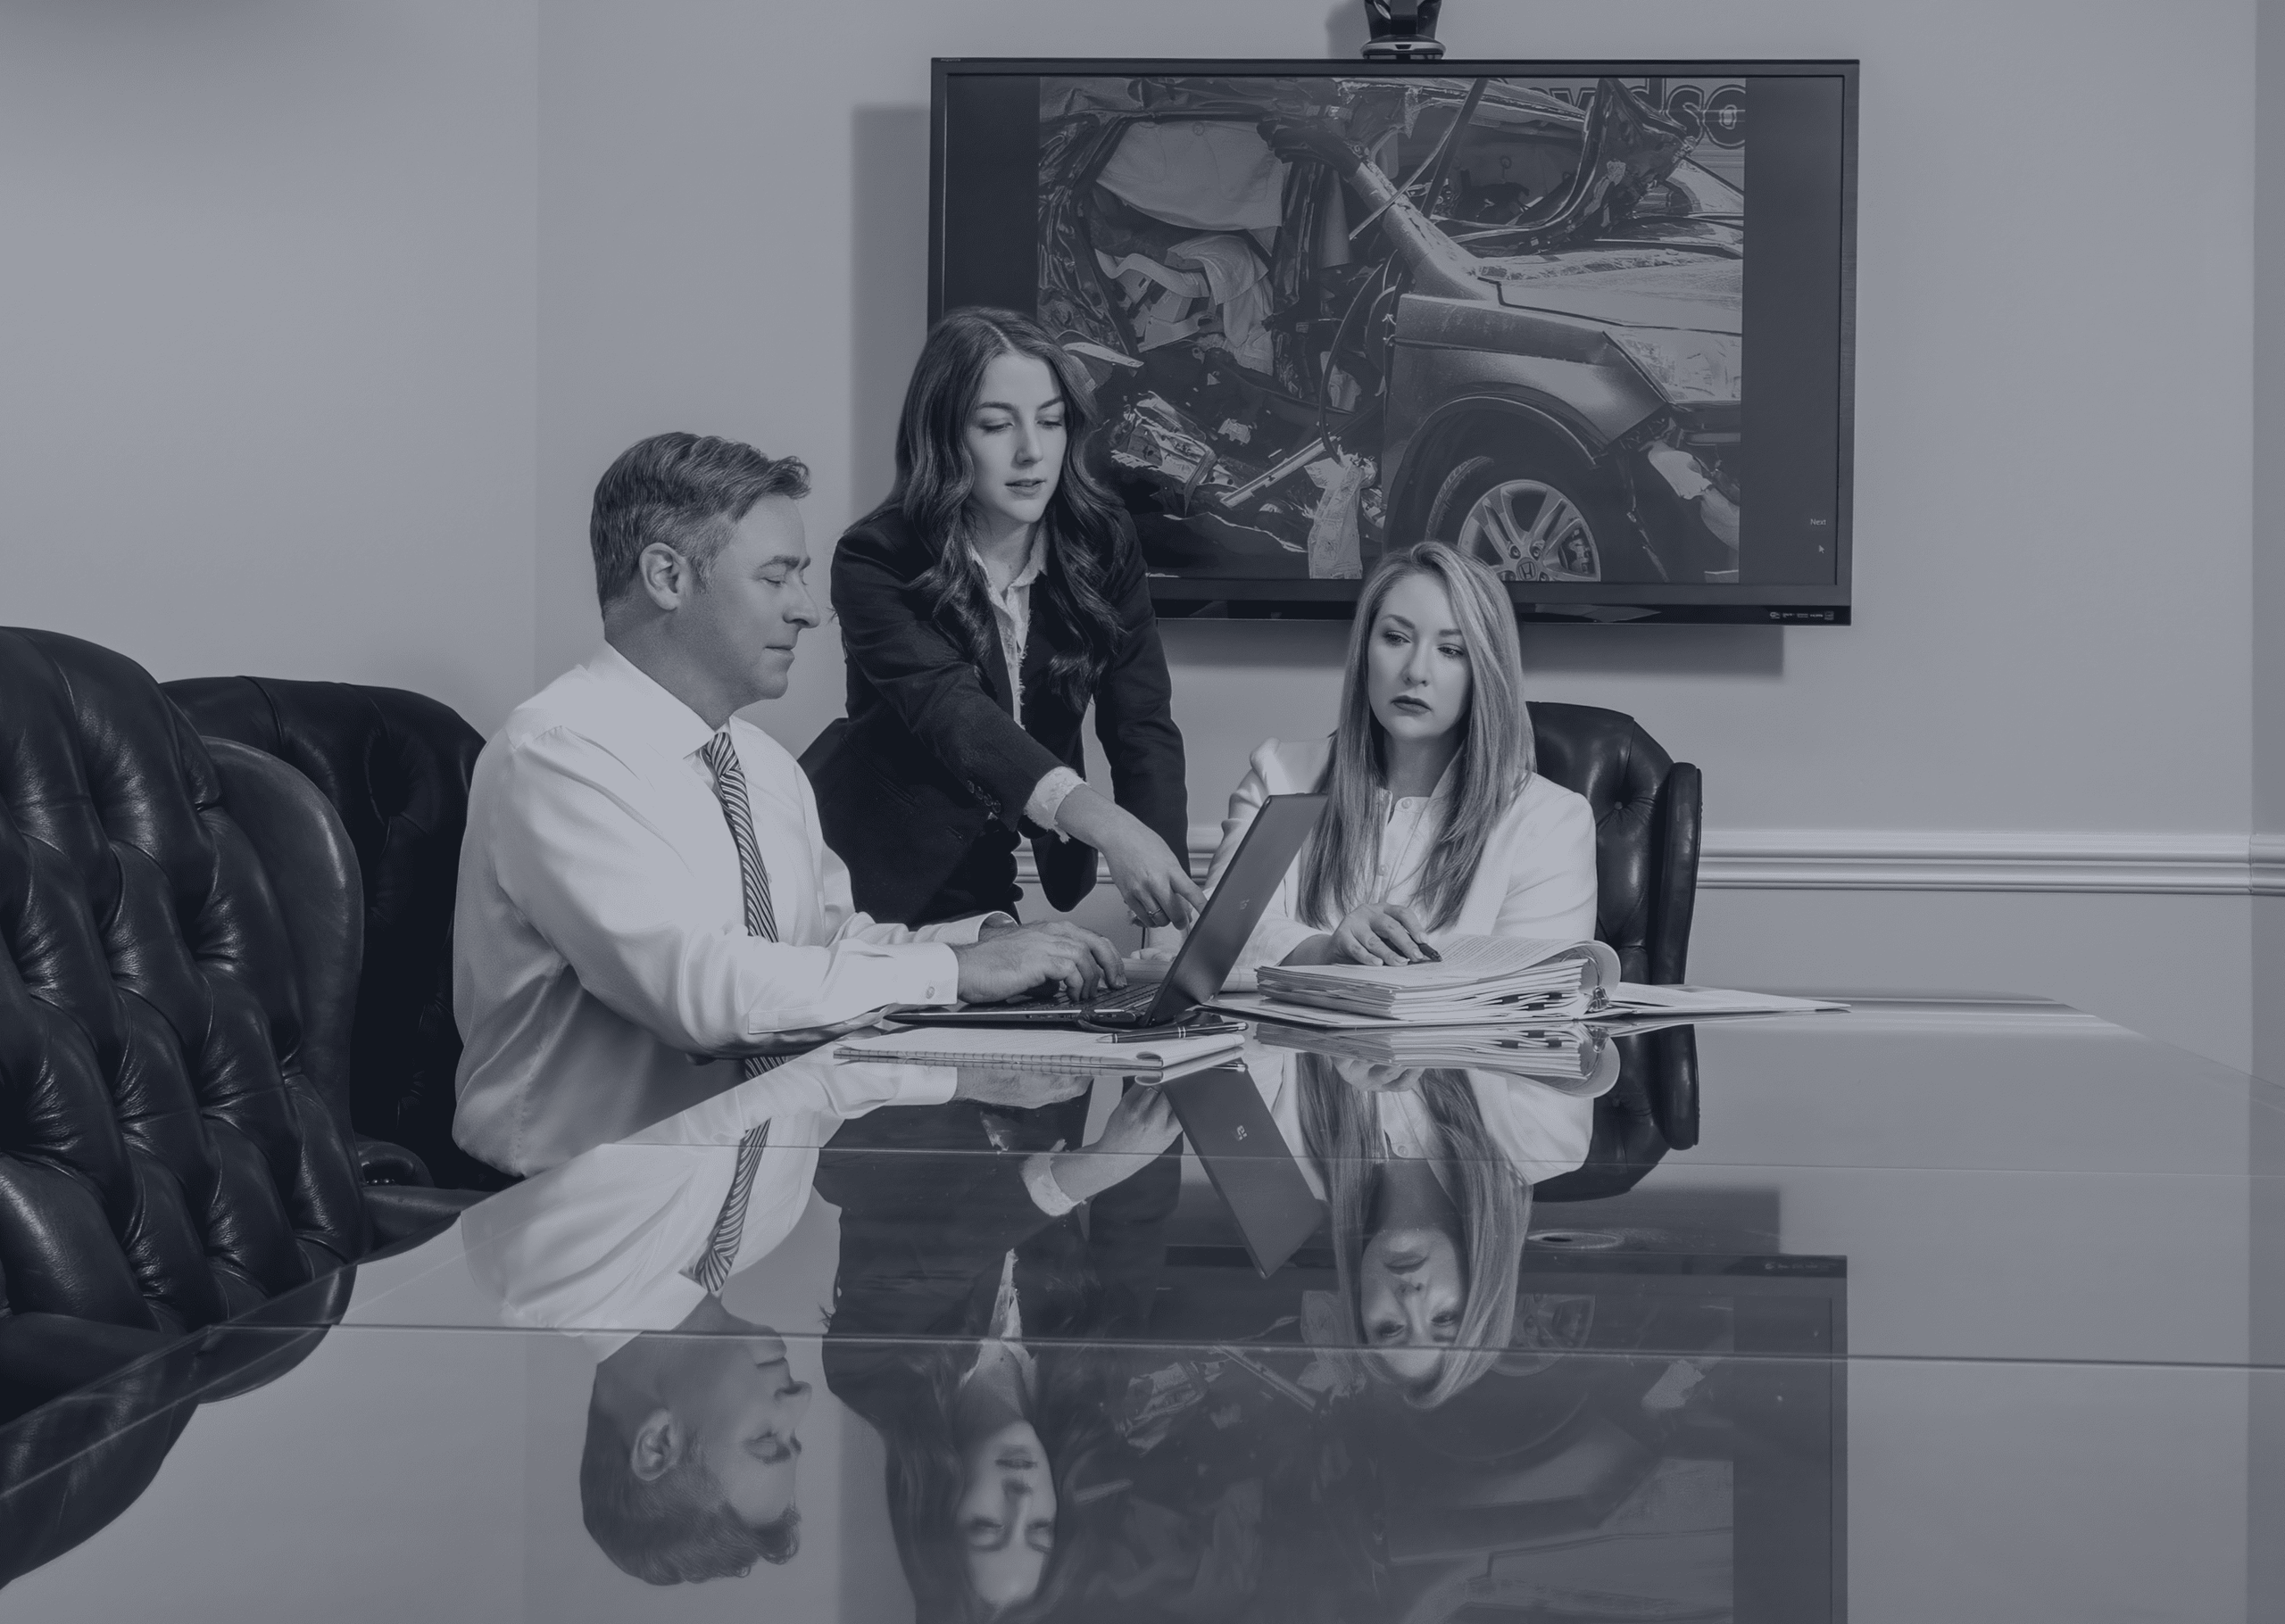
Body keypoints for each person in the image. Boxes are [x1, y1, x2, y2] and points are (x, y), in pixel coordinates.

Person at [453, 432, 1125, 1175]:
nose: (809, 611)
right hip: (575, 1220)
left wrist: (988, 943)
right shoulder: (556, 757)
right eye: (777, 579)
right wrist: (955, 970)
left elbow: (827, 951)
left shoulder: (765, 768)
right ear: (667, 576)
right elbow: (704, 999)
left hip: (734, 1220)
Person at [807, 307, 1201, 933]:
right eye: (996, 425)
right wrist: (1108, 825)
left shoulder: (1102, 543)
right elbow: (954, 714)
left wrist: (1173, 907)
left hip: (987, 874)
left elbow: (1142, 726)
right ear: (944, 435)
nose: (1032, 452)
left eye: (1050, 421)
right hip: (871, 886)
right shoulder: (875, 558)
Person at [820, 1081, 1184, 1620]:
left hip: (908, 1072)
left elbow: (943, 1248)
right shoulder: (1091, 1389)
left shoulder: (870, 1375)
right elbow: (1136, 1219)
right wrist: (1164, 1071)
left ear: (937, 1514)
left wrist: (1099, 1166)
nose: (1021, 1496)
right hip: (1046, 1061)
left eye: (987, 1526)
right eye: (1041, 1527)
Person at [1204, 541, 1597, 973]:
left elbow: (1527, 1000)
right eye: (1395, 637)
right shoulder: (1277, 774)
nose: (1415, 671)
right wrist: (1326, 951)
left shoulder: (1552, 822)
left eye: (1451, 650)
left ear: (1486, 671)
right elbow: (1214, 940)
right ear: (1364, 651)